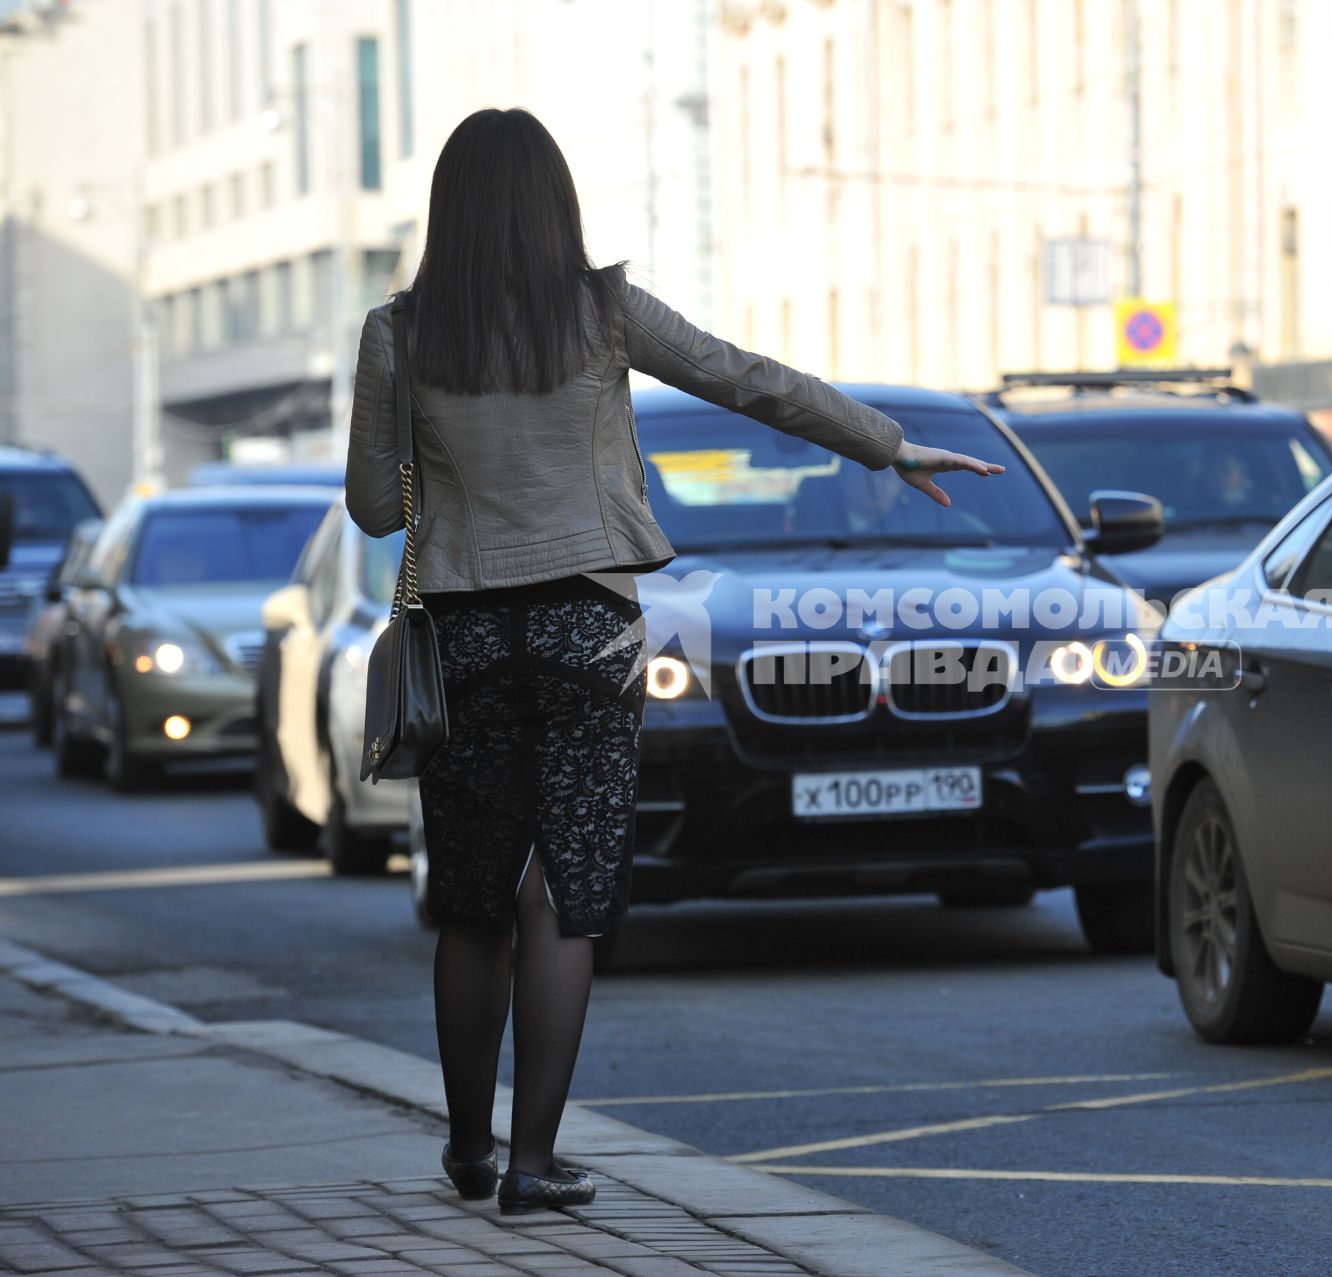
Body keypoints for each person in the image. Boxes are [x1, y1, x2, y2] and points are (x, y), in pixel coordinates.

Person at [345, 108, 1002, 1215]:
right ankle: (535, 1162)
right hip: (587, 623)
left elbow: (371, 508)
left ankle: (464, 1148)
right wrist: (888, 444)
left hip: (462, 632)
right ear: (555, 203)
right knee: (566, 890)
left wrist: (435, 458)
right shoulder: (602, 311)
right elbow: (746, 378)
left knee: (471, 899)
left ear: (446, 209)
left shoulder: (399, 331)